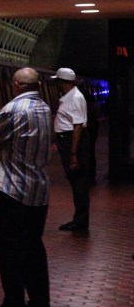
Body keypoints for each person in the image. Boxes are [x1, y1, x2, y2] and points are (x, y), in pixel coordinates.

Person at [0, 67, 52, 307]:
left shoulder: (13, 110)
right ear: (38, 85)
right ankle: (40, 303)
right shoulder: (44, 109)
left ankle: (13, 303)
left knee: (9, 248)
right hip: (39, 190)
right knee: (34, 247)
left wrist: (3, 142)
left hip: (12, 189)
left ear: (16, 85)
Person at [52, 67, 92, 231]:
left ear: (62, 82)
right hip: (69, 140)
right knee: (77, 182)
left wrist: (73, 153)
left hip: (72, 142)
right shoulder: (71, 96)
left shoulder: (74, 98)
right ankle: (79, 219)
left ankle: (80, 221)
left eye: (58, 82)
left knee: (79, 182)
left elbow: (77, 127)